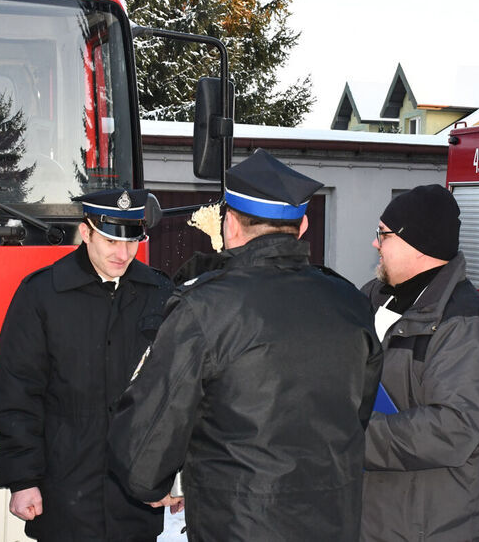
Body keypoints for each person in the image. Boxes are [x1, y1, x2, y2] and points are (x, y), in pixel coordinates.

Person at [108, 149, 383, 541]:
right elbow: (359, 414)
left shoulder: (204, 307)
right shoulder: (351, 303)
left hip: (238, 524)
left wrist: (151, 483)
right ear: (302, 226)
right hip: (334, 522)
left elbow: (141, 451)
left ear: (231, 226)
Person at [0, 188, 173, 542]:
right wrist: (22, 479)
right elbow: (17, 392)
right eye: (111, 241)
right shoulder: (42, 294)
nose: (123, 253)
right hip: (65, 493)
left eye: (132, 242)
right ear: (86, 232)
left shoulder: (160, 292)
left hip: (135, 497)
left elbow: (176, 394)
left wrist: (172, 473)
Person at [361, 184, 479, 542]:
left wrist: (350, 434)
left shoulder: (465, 327)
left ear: (417, 243)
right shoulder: (372, 299)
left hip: (439, 527)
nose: (374, 244)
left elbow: (451, 429)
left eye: (382, 234)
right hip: (382, 519)